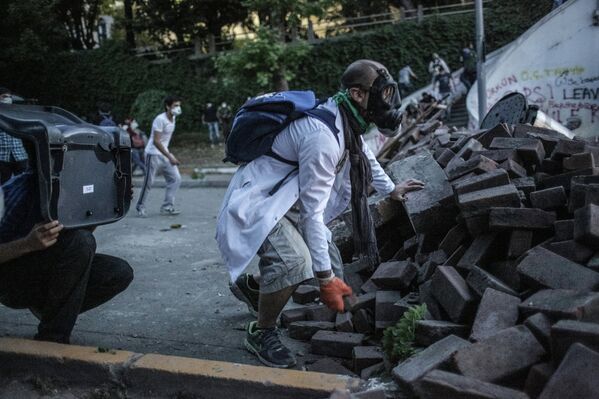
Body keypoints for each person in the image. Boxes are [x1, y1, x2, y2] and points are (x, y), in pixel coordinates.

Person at [217, 60, 424, 368]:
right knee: (296, 262)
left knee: (331, 263)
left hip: (288, 201)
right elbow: (314, 215)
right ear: (357, 94)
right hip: (262, 201)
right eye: (383, 93)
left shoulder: (344, 119)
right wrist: (325, 281)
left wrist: (390, 189)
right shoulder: (322, 138)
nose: (388, 101)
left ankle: (255, 287)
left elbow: (365, 155)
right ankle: (261, 332)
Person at [0, 157, 133, 344]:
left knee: (118, 272)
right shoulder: (17, 192)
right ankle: (52, 340)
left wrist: (106, 205)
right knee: (80, 241)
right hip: (10, 282)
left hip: (44, 270)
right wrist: (27, 244)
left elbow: (78, 246)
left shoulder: (75, 189)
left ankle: (50, 311)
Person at [135, 95, 182, 217]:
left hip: (164, 153)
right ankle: (140, 206)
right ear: (167, 106)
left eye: (179, 105)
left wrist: (168, 155)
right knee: (149, 182)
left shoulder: (173, 118)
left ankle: (167, 206)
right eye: (175, 106)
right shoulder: (160, 119)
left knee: (175, 179)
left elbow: (164, 141)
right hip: (152, 154)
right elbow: (156, 141)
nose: (178, 108)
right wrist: (170, 156)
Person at [0, 87, 28, 184]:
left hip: (19, 154)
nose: (8, 99)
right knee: (3, 184)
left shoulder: (16, 112)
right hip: (2, 156)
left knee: (22, 183)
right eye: (4, 96)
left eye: (9, 97)